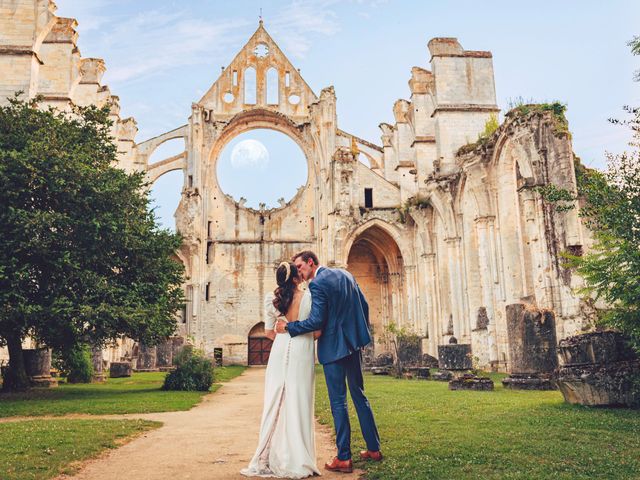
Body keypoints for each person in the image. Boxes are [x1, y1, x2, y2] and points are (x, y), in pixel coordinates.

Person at [275, 251, 382, 474]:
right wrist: (359, 335)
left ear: (311, 262)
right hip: (353, 346)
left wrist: (289, 328)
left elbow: (315, 321)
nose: (299, 272)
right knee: (359, 395)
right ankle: (374, 449)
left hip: (334, 348)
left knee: (338, 402)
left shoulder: (317, 284)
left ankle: (343, 458)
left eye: (300, 266)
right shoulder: (346, 275)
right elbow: (364, 306)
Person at [241, 261, 321, 479]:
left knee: (275, 399)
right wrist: (300, 338)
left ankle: (270, 456)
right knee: (299, 400)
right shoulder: (310, 298)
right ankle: (299, 458)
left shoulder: (272, 299)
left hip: (279, 350)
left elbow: (269, 332)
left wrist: (284, 336)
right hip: (302, 351)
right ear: (297, 278)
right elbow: (317, 333)